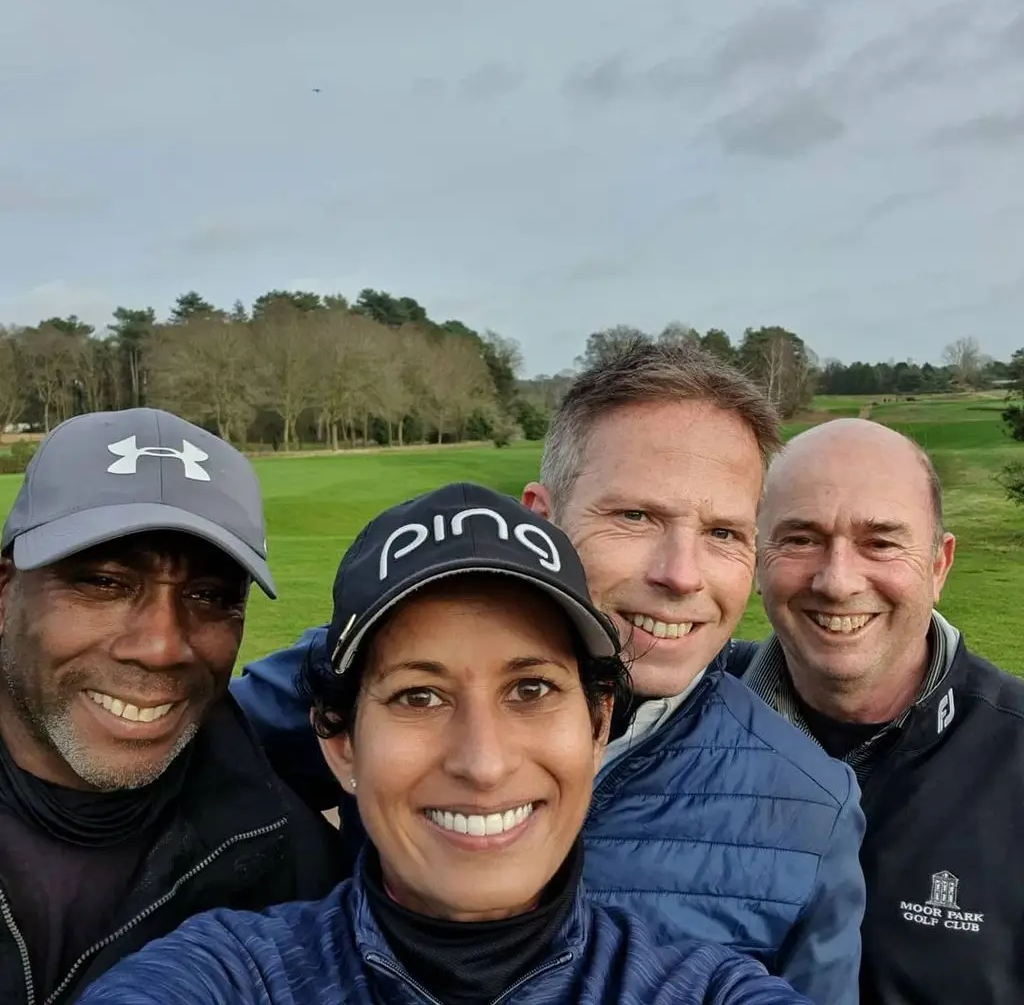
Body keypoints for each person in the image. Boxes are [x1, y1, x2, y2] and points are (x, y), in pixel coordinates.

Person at [230, 342, 867, 1005]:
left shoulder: (812, 811)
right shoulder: (373, 663)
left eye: (725, 534)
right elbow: (179, 752)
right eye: (635, 516)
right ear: (541, 516)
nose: (681, 575)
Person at [78, 482, 814, 1004]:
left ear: (596, 725)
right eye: (418, 696)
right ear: (340, 746)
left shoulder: (711, 991)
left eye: (530, 689)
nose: (483, 763)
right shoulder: (229, 978)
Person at [0, 408, 345, 1005]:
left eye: (208, 596)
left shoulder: (296, 870)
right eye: (105, 583)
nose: (161, 647)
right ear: (5, 595)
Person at [731, 417, 1024, 1004]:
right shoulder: (676, 721)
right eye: (800, 538)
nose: (837, 581)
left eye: (881, 542)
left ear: (939, 566)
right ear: (757, 557)